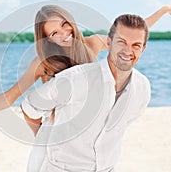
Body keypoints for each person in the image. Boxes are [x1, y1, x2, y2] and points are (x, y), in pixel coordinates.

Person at [0, 4, 171, 140]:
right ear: (47, 38)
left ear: (70, 20)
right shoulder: (43, 62)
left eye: (63, 25)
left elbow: (128, 37)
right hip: (59, 133)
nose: (63, 34)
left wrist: (162, 11)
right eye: (53, 34)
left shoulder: (93, 43)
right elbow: (11, 96)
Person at [21, 13, 151, 171]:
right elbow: (29, 106)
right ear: (109, 42)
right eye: (121, 42)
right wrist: (45, 131)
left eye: (136, 45)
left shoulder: (142, 88)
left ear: (143, 48)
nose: (127, 50)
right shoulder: (74, 79)